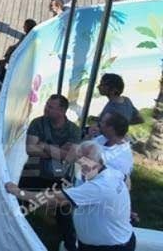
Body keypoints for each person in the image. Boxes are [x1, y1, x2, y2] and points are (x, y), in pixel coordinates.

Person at [7, 140, 134, 251]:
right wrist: (120, 207)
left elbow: (56, 199)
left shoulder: (99, 186)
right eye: (79, 161)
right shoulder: (112, 173)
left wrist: (18, 192)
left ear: (97, 160)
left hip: (111, 248)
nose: (80, 165)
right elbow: (126, 180)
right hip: (100, 244)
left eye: (83, 161)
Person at [19, 94, 81, 250]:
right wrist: (58, 152)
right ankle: (14, 234)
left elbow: (69, 157)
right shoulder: (37, 122)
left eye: (50, 107)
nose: (46, 108)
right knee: (18, 204)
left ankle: (70, 246)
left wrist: (44, 145)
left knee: (64, 212)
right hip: (34, 172)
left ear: (62, 111)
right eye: (47, 104)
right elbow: (30, 149)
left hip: (60, 176)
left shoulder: (73, 129)